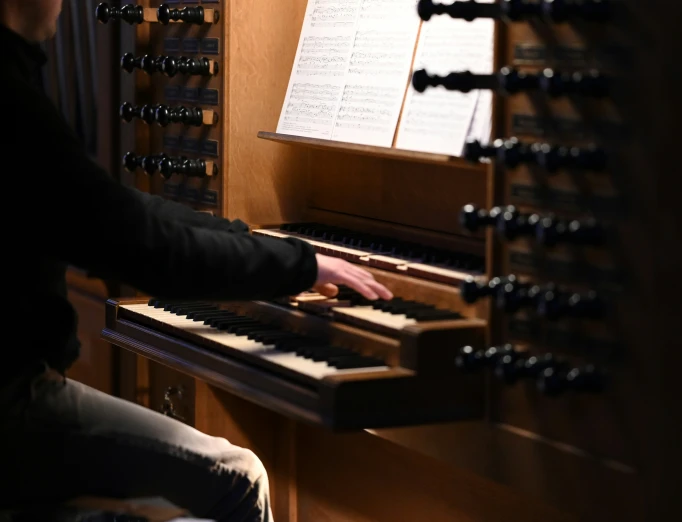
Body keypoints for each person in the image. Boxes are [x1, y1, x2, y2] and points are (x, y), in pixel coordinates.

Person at [0, 0, 393, 519]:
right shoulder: (11, 104)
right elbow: (145, 247)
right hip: (12, 405)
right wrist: (299, 266)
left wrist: (256, 244)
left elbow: (122, 209)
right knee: (239, 477)